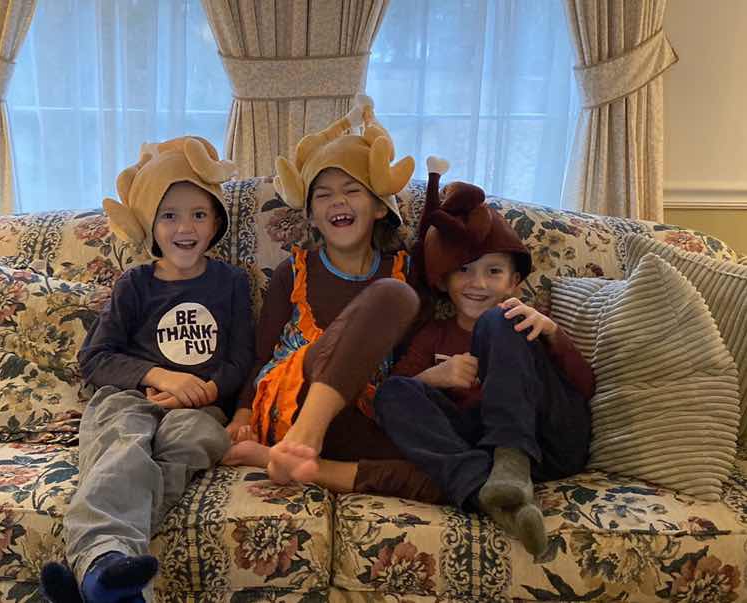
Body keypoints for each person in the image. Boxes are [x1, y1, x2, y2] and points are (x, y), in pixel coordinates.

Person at [40, 136, 254, 603]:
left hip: (200, 409)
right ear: (150, 225)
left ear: (216, 221)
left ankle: (97, 572)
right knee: (126, 448)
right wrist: (161, 377)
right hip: (130, 398)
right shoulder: (135, 284)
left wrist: (203, 390)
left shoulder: (232, 282)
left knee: (188, 447)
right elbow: (95, 358)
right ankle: (106, 570)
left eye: (198, 214)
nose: (185, 227)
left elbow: (242, 359)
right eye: (169, 215)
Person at [222, 96, 445, 502]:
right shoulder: (294, 271)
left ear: (380, 207)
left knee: (450, 476)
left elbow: (414, 360)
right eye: (323, 195)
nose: (338, 201)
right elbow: (261, 356)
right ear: (310, 215)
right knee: (392, 295)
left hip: (359, 410)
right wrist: (240, 415)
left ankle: (296, 462)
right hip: (291, 398)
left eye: (352, 190)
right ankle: (301, 438)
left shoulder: (405, 269)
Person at [372, 159, 595, 556]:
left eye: (493, 272)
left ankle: (513, 458)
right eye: (464, 270)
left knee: (499, 319)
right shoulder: (434, 333)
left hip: (548, 443)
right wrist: (436, 376)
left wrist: (552, 334)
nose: (477, 283)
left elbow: (585, 387)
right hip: (482, 456)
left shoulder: (527, 321)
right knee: (392, 394)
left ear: (514, 282)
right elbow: (396, 390)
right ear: (445, 279)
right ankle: (488, 496)